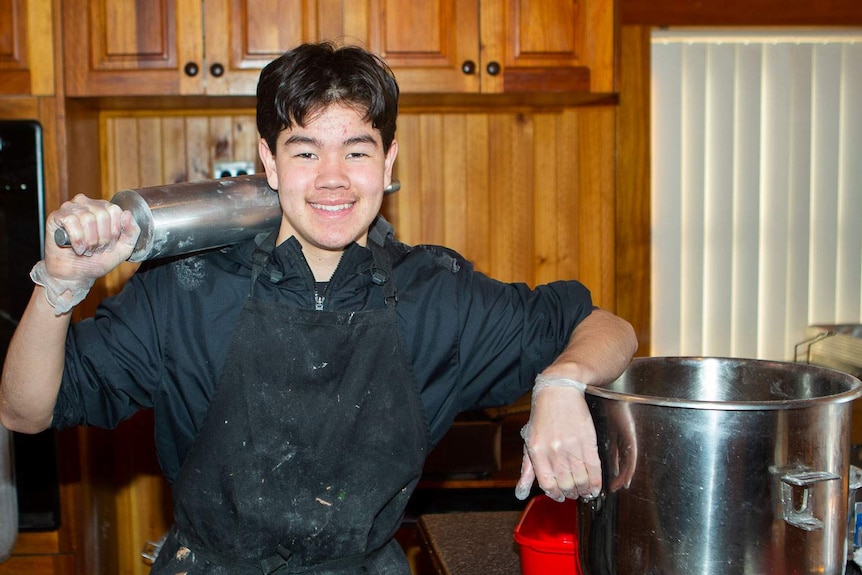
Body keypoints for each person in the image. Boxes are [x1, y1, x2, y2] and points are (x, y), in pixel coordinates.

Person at [0, 42, 637, 574]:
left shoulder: (438, 295)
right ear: (268, 162)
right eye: (305, 151)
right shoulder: (185, 288)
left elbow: (609, 329)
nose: (332, 177)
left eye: (356, 151)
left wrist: (561, 380)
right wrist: (57, 288)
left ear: (388, 162)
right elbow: (24, 410)